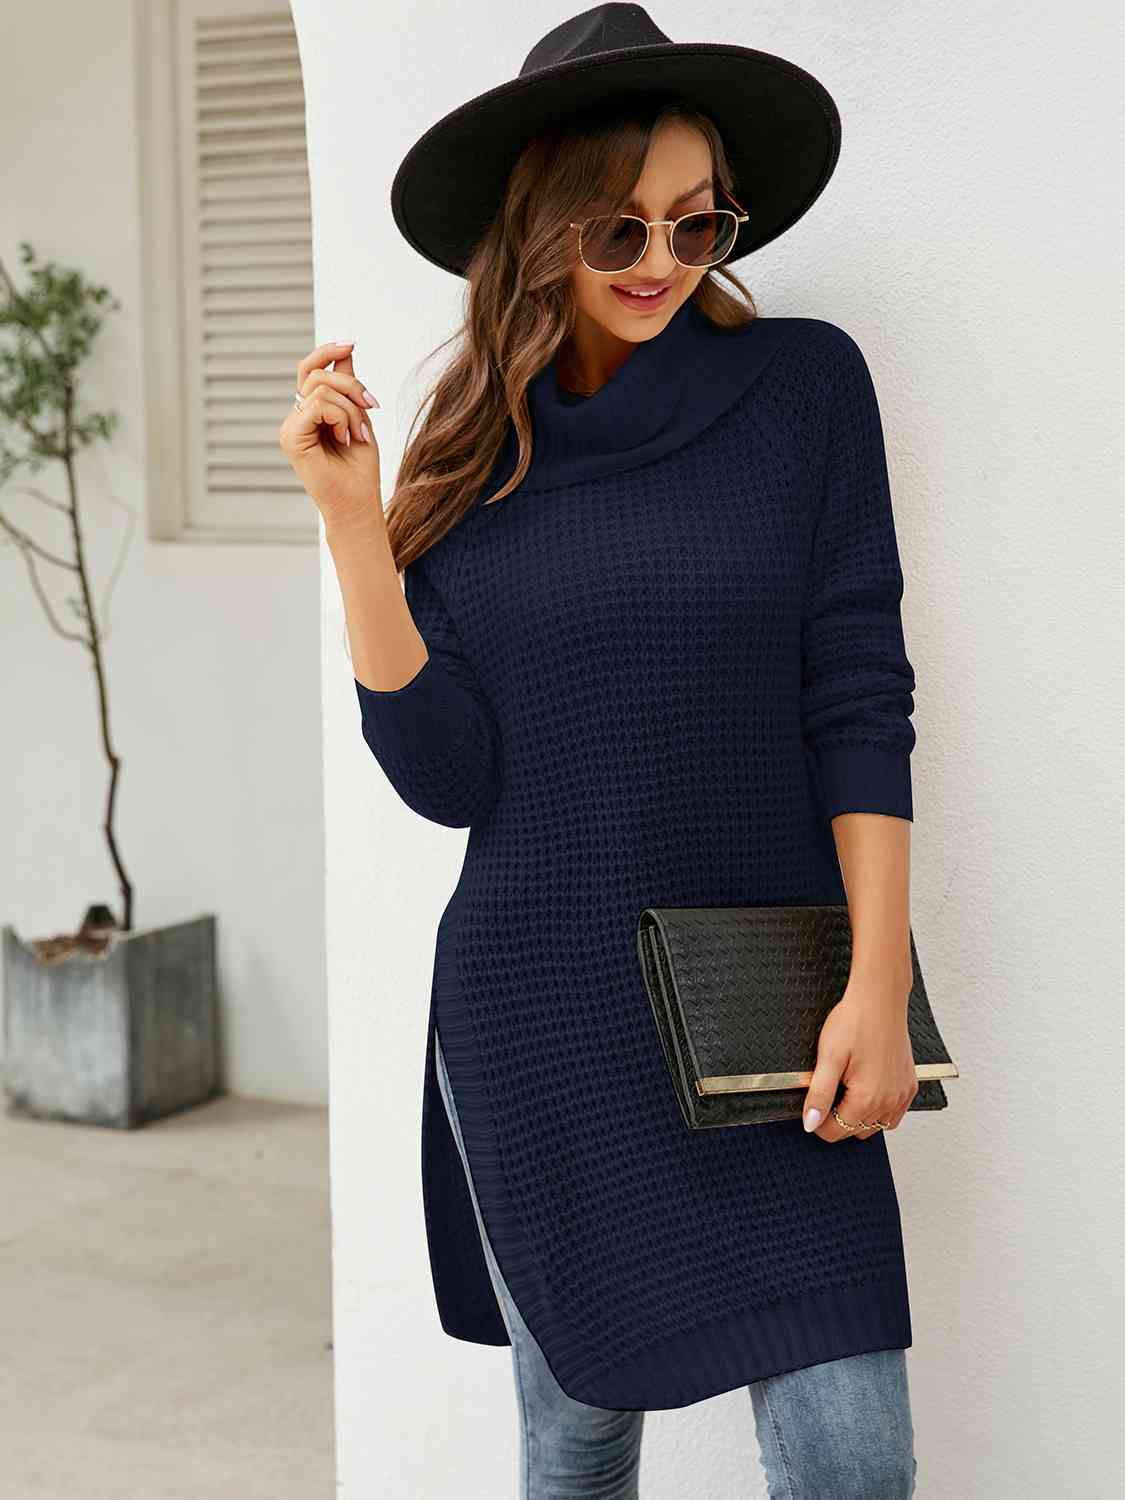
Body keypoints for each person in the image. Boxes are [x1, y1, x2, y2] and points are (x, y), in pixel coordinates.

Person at [281, 6, 922, 1496]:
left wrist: (877, 983)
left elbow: (858, 696)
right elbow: (447, 780)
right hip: (540, 1019)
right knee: (573, 1448)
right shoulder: (468, 465)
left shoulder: (804, 390)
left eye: (696, 223)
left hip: (770, 1013)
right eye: (617, 226)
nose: (659, 260)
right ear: (539, 230)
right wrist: (356, 529)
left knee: (852, 1459)